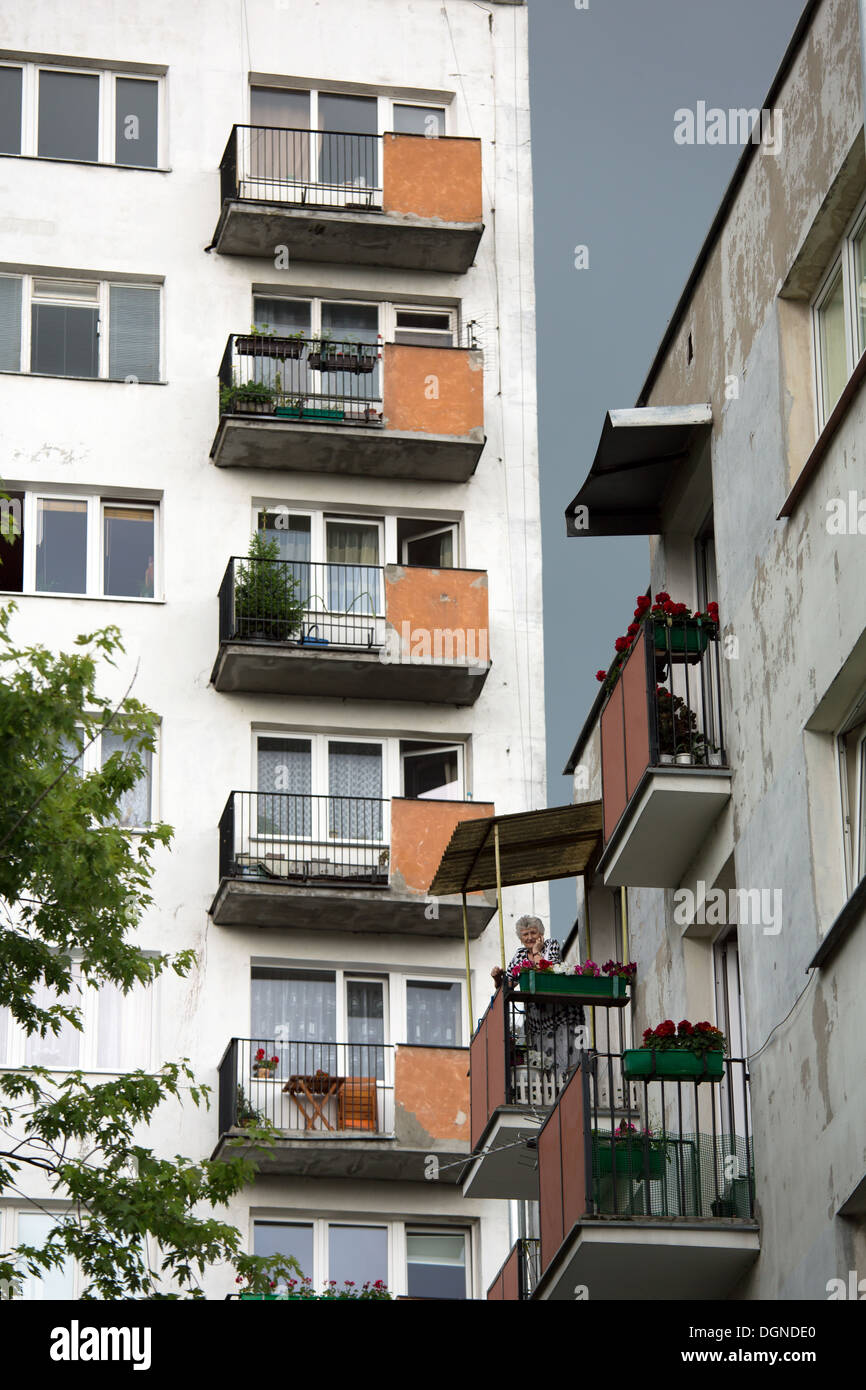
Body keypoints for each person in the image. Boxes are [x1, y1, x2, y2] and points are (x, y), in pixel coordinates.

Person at [491, 915, 585, 1087]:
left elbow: (549, 972)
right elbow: (508, 985)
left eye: (533, 933)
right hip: (538, 1019)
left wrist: (536, 952)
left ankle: (570, 1086)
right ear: (520, 938)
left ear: (541, 933)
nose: (529, 938)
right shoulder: (519, 955)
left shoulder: (551, 945)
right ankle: (552, 1089)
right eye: (525, 934)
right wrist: (498, 979)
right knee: (545, 1059)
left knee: (566, 1054)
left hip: (561, 1013)